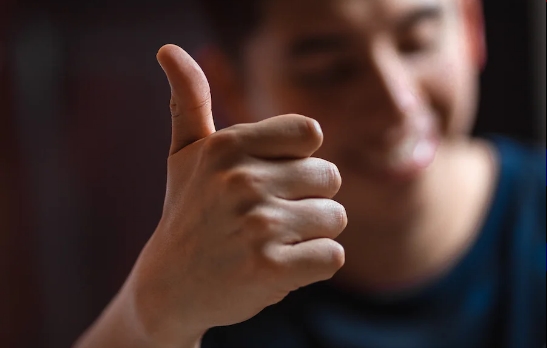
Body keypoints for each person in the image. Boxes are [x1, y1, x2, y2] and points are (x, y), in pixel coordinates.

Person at [75, 0, 546, 347]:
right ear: (233, 86)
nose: (396, 104)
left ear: (470, 26)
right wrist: (152, 314)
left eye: (416, 43)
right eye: (332, 70)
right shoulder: (208, 279)